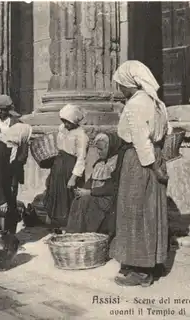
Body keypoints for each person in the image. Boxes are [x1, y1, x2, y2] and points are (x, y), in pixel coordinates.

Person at [109, 60, 171, 287]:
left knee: (134, 212)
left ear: (129, 83)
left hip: (139, 162)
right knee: (152, 211)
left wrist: (154, 169)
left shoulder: (136, 104)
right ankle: (153, 262)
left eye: (121, 85)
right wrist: (160, 165)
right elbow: (166, 133)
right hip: (156, 156)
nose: (119, 90)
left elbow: (140, 141)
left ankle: (140, 271)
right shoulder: (157, 102)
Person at [66, 132, 125, 235]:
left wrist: (90, 192)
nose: (98, 152)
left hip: (108, 199)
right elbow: (91, 180)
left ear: (110, 147)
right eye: (97, 149)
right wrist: (82, 190)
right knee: (78, 200)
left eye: (101, 149)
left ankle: (83, 233)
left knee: (86, 201)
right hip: (96, 196)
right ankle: (74, 233)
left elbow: (112, 187)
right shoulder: (99, 163)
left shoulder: (116, 164)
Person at [44, 104, 89, 227]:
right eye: (63, 121)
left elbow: (81, 158)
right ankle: (56, 225)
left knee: (68, 198)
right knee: (55, 196)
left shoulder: (81, 135)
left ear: (74, 121)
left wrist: (74, 178)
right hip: (58, 166)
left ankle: (69, 227)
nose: (65, 124)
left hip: (70, 169)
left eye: (67, 122)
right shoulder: (62, 129)